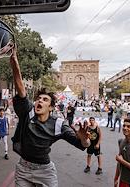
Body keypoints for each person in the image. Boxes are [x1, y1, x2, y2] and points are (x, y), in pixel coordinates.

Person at [9, 46, 91, 187]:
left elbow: (84, 145)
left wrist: (84, 139)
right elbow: (21, 88)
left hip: (45, 172)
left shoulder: (59, 124)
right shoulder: (28, 112)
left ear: (51, 107)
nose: (40, 100)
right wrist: (15, 63)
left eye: (45, 100)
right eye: (38, 98)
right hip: (23, 169)